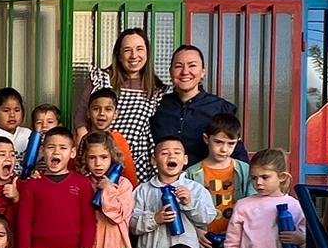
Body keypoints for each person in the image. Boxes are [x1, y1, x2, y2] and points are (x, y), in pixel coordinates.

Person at [132, 136, 216, 248]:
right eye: (164, 153)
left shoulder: (195, 189)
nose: (171, 156)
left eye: (177, 153)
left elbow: (207, 217)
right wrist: (154, 219)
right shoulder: (143, 190)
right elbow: (132, 223)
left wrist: (189, 203)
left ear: (185, 160)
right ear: (154, 160)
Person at [223, 148, 306, 248]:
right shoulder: (244, 205)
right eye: (254, 178)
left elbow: (306, 237)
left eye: (265, 177)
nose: (258, 182)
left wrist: (300, 239)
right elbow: (233, 238)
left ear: (282, 177)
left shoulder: (294, 205)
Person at [77, 27, 165, 172]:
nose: (134, 55)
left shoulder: (157, 90)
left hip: (137, 163)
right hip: (98, 160)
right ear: (118, 55)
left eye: (139, 49)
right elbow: (82, 113)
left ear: (147, 53)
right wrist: (82, 140)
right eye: (127, 50)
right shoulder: (101, 79)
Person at [15, 128, 96, 248]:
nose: (56, 152)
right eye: (51, 147)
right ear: (42, 150)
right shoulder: (32, 184)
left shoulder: (82, 183)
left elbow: (89, 221)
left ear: (72, 152)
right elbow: (24, 220)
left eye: (63, 148)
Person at [185, 112, 250, 248]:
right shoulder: (192, 173)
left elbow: (253, 205)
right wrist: (196, 231)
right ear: (207, 139)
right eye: (219, 142)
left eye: (230, 144)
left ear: (238, 142)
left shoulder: (244, 170)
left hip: (236, 241)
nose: (224, 149)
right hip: (205, 240)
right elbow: (184, 208)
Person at [151, 44, 248, 166]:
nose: (185, 72)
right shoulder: (156, 105)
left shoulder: (221, 108)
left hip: (206, 177)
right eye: (178, 66)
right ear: (170, 72)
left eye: (192, 65)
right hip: (161, 177)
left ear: (203, 72)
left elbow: (236, 150)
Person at [83, 131, 135, 248]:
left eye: (104, 157)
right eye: (92, 158)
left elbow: (117, 215)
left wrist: (108, 190)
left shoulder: (123, 184)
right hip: (90, 246)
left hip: (115, 244)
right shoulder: (83, 184)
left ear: (112, 157)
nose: (98, 163)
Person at [75, 87, 140, 186]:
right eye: (96, 109)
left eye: (108, 109)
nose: (102, 113)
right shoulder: (79, 139)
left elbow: (130, 176)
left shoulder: (118, 140)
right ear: (88, 113)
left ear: (115, 114)